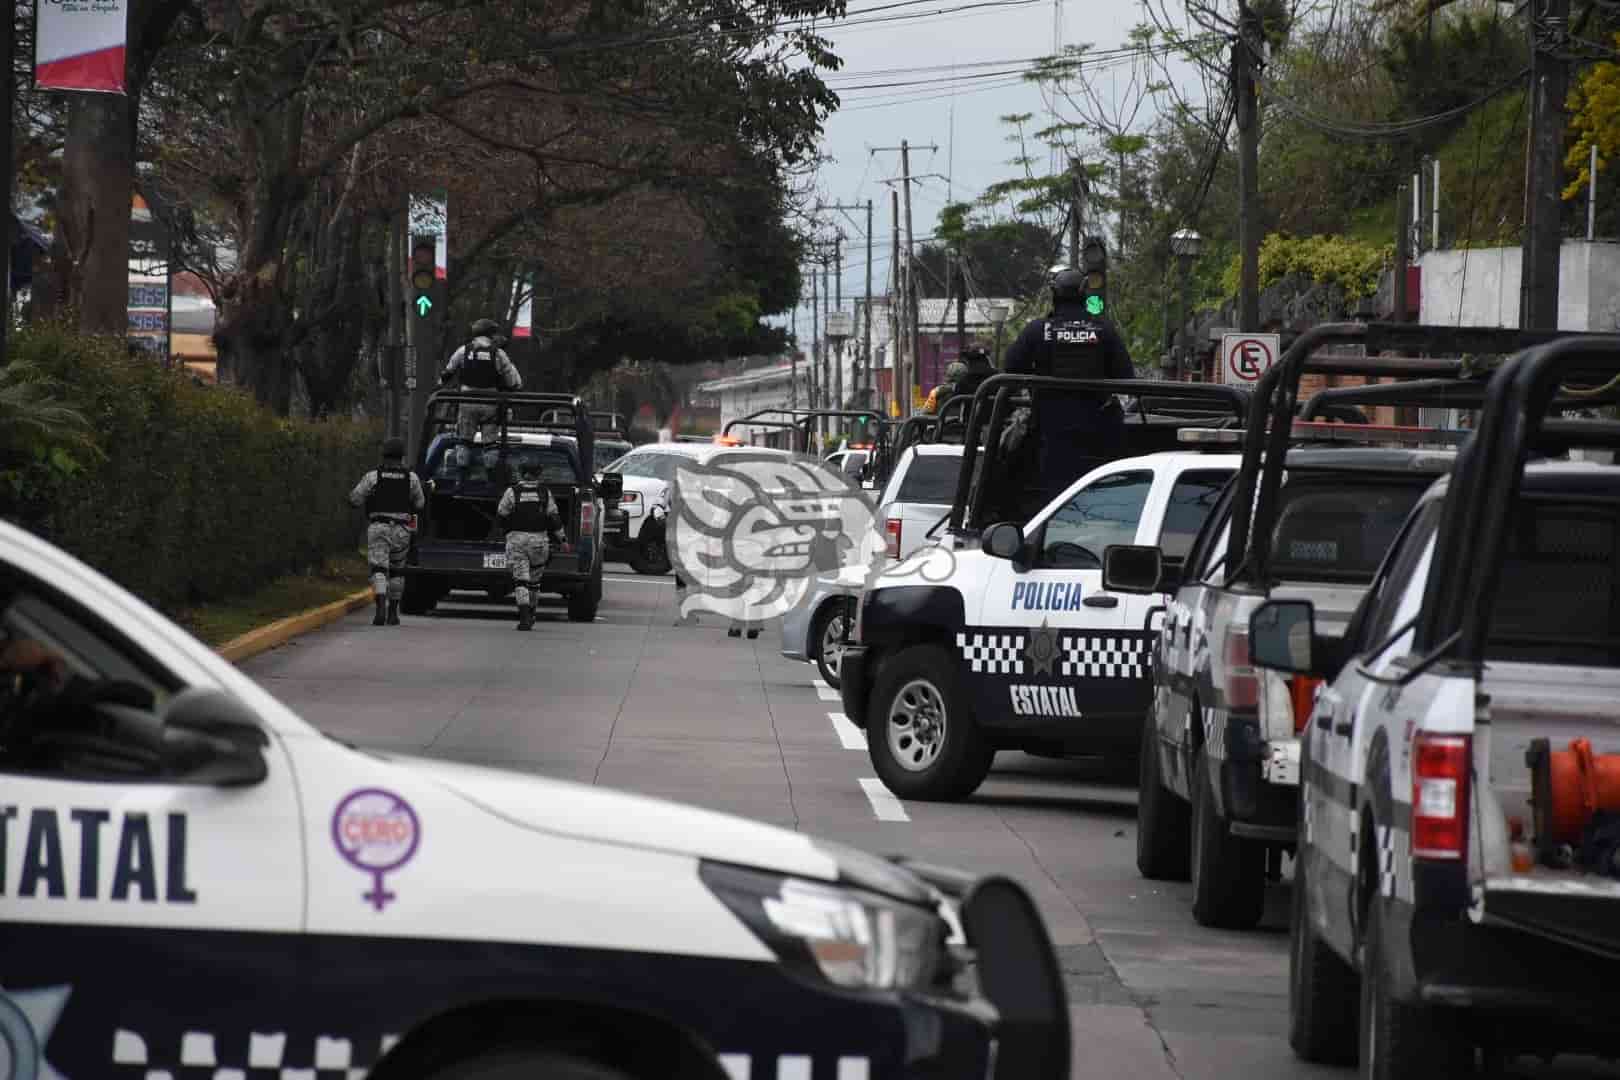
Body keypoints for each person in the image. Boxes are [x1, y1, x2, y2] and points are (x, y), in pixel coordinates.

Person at [1003, 267, 1134, 494]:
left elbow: (1011, 369)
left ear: (1054, 293)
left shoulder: (1037, 330)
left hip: (1051, 434)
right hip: (1098, 435)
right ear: (1084, 292)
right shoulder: (1104, 329)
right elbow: (1125, 374)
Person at [349, 437, 426, 627]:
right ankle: (393, 613)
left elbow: (355, 499)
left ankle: (380, 607)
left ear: (383, 455)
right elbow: (420, 504)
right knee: (398, 570)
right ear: (402, 456)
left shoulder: (373, 476)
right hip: (402, 528)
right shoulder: (412, 478)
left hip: (379, 527)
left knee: (379, 567)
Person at [496, 459, 568, 631]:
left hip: (517, 541)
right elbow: (554, 518)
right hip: (539, 542)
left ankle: (524, 618)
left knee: (521, 581)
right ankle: (532, 613)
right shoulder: (545, 492)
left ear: (522, 474)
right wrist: (563, 540)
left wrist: (505, 532)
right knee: (535, 582)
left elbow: (501, 515)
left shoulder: (512, 492)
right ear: (538, 474)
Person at [441, 318, 523, 438]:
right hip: (490, 402)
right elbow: (513, 382)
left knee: (464, 442)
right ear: (490, 334)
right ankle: (489, 452)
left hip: (466, 401)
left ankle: (463, 454)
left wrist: (439, 386)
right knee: (490, 444)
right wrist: (511, 389)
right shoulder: (498, 353)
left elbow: (447, 373)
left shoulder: (463, 350)